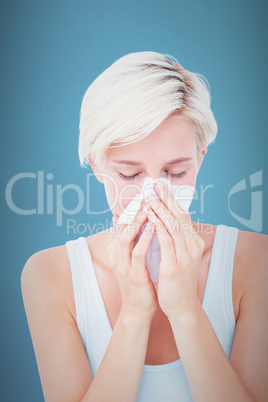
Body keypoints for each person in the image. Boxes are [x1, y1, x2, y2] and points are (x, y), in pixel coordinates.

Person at [21, 51, 268, 402]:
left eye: (176, 172)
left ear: (200, 157)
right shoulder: (50, 275)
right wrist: (135, 313)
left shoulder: (256, 263)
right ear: (95, 163)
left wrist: (184, 307)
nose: (154, 195)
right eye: (129, 174)